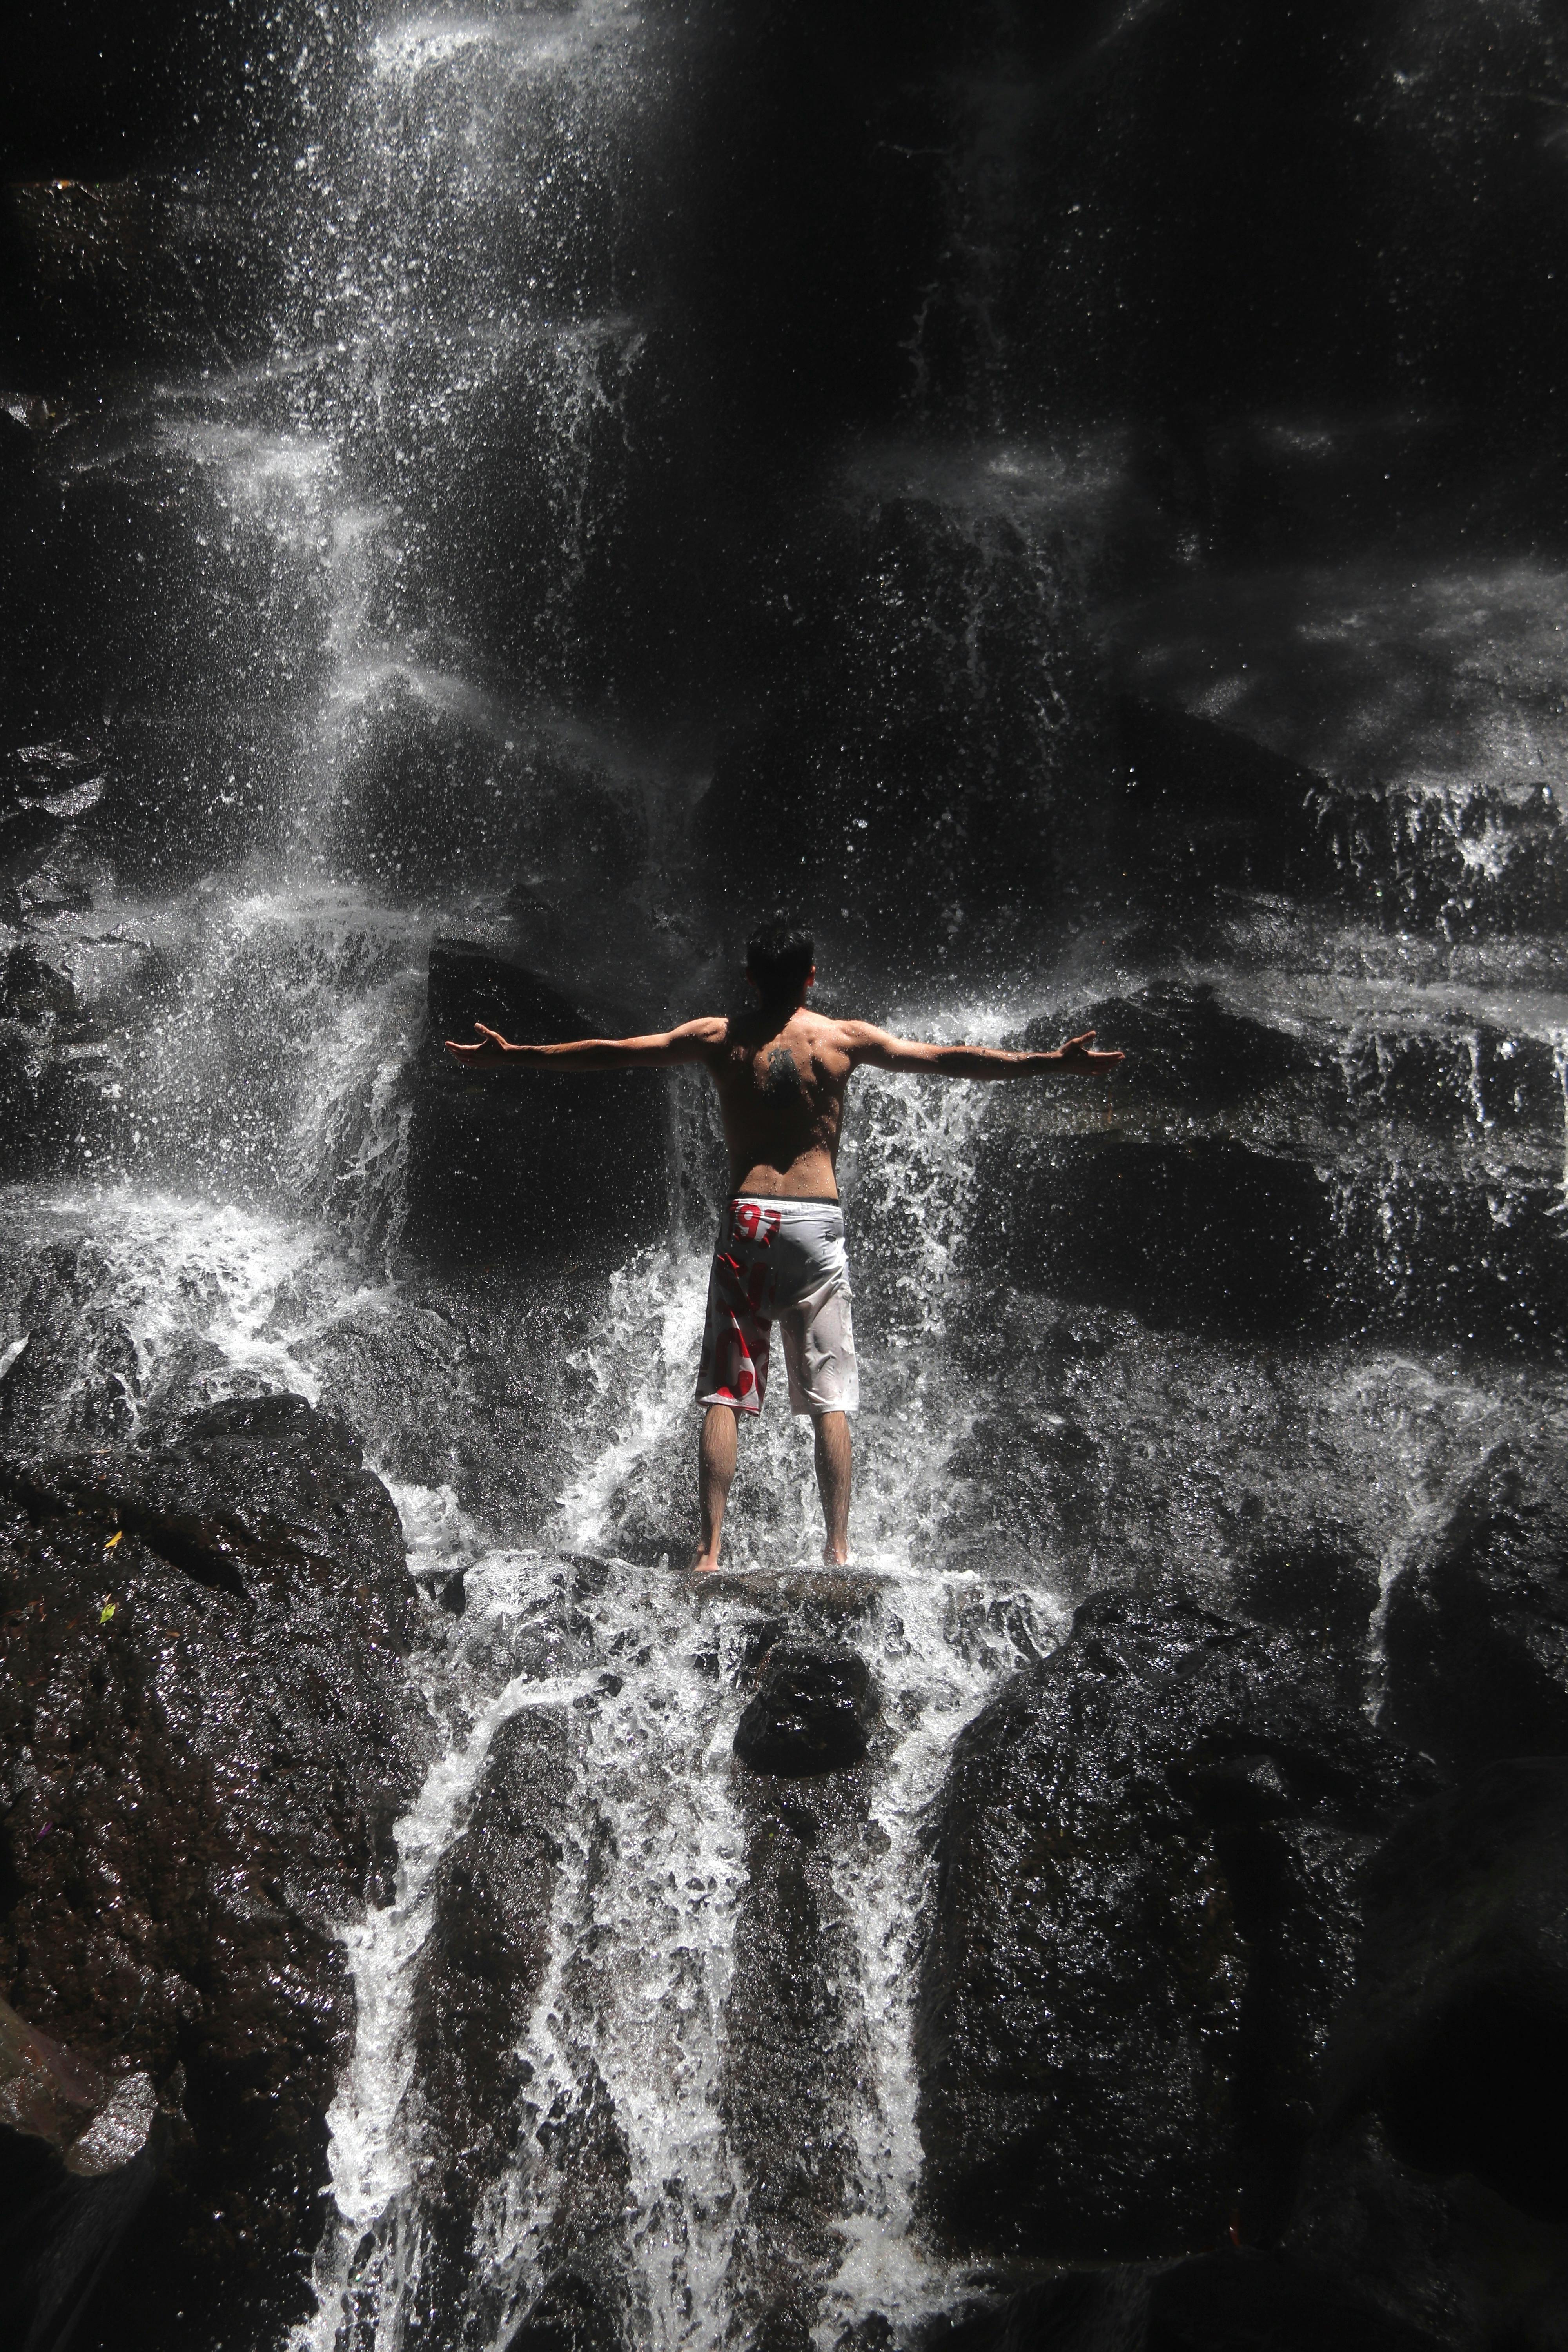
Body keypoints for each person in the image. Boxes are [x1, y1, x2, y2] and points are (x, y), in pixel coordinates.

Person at [445, 916, 1123, 1573]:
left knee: (725, 1393)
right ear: (811, 977)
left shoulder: (719, 1036)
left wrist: (515, 1055)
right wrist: (1048, 1063)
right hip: (815, 1220)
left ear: (748, 977)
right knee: (830, 1397)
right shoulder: (841, 1039)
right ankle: (838, 1550)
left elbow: (616, 1052)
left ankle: (709, 1554)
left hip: (750, 1217)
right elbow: (948, 1060)